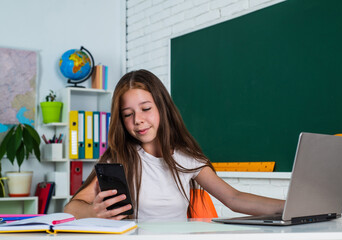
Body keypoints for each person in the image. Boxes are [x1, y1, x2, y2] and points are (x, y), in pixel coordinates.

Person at [64, 69, 284, 220]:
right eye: (128, 114)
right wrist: (94, 212)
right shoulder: (118, 158)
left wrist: (291, 207)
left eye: (146, 109)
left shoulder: (185, 157)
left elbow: (233, 198)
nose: (138, 119)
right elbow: (71, 207)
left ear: (162, 107)